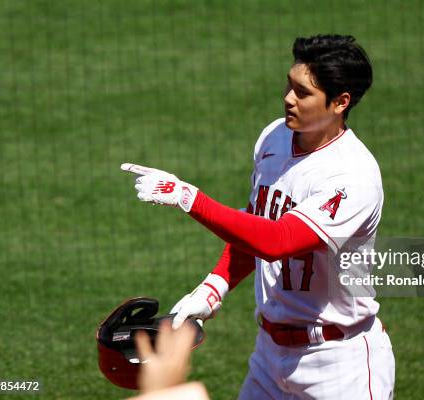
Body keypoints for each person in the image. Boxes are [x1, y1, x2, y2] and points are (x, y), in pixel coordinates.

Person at [122, 34, 395, 400]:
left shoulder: (351, 176)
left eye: (302, 92)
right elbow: (256, 223)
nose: (288, 97)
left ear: (340, 102)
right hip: (269, 357)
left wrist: (190, 198)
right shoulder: (274, 138)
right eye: (289, 83)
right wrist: (214, 287)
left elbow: (277, 241)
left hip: (339, 366)